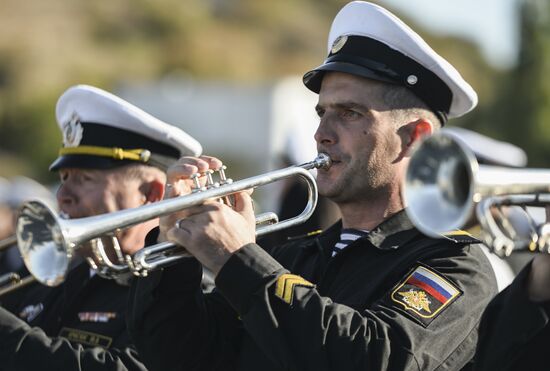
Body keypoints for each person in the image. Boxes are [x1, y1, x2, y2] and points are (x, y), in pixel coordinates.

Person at [128, 2, 498, 370]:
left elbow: (374, 359)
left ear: (414, 137)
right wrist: (175, 249)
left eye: (349, 114)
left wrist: (237, 257)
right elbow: (182, 357)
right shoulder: (294, 257)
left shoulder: (454, 264)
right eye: (322, 113)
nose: (321, 134)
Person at [0, 84, 201, 370]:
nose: (62, 195)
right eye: (65, 176)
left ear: (151, 194)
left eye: (85, 179)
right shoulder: (50, 276)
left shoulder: (181, 291)